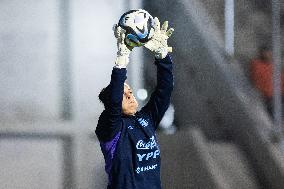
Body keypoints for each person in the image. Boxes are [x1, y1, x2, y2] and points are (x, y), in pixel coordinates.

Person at [96, 17, 174, 189]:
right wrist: (122, 57)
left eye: (130, 92)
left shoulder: (146, 119)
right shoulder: (110, 127)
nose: (130, 96)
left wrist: (163, 57)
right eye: (124, 94)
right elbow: (114, 102)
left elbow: (164, 90)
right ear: (113, 103)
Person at [250, 46, 284, 117]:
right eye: (266, 53)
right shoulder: (257, 64)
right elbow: (256, 81)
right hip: (269, 95)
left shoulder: (273, 66)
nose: (268, 55)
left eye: (269, 53)